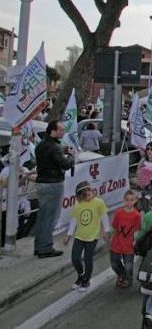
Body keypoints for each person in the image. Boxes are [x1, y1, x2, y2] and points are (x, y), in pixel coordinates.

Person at [33, 121, 76, 258]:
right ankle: (45, 248)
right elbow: (65, 164)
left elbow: (50, 155)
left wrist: (63, 150)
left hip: (42, 183)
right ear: (53, 131)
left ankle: (39, 246)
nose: (63, 132)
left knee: (42, 217)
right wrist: (71, 156)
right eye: (61, 130)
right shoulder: (54, 147)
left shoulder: (41, 145)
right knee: (50, 218)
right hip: (53, 184)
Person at [64, 181, 110, 292]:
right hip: (79, 236)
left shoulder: (99, 203)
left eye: (90, 193)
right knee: (75, 258)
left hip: (92, 236)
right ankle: (81, 274)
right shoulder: (78, 205)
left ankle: (86, 279)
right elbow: (74, 221)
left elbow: (104, 217)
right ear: (80, 196)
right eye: (85, 196)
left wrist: (106, 231)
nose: (88, 197)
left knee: (88, 259)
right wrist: (69, 235)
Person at [110, 190, 141, 288]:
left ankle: (128, 278)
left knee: (128, 265)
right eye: (127, 200)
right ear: (123, 200)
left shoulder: (136, 215)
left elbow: (137, 229)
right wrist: (110, 237)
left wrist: (135, 240)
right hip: (117, 242)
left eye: (131, 200)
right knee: (114, 263)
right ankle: (122, 275)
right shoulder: (119, 213)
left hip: (128, 244)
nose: (129, 202)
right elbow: (114, 226)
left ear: (135, 201)